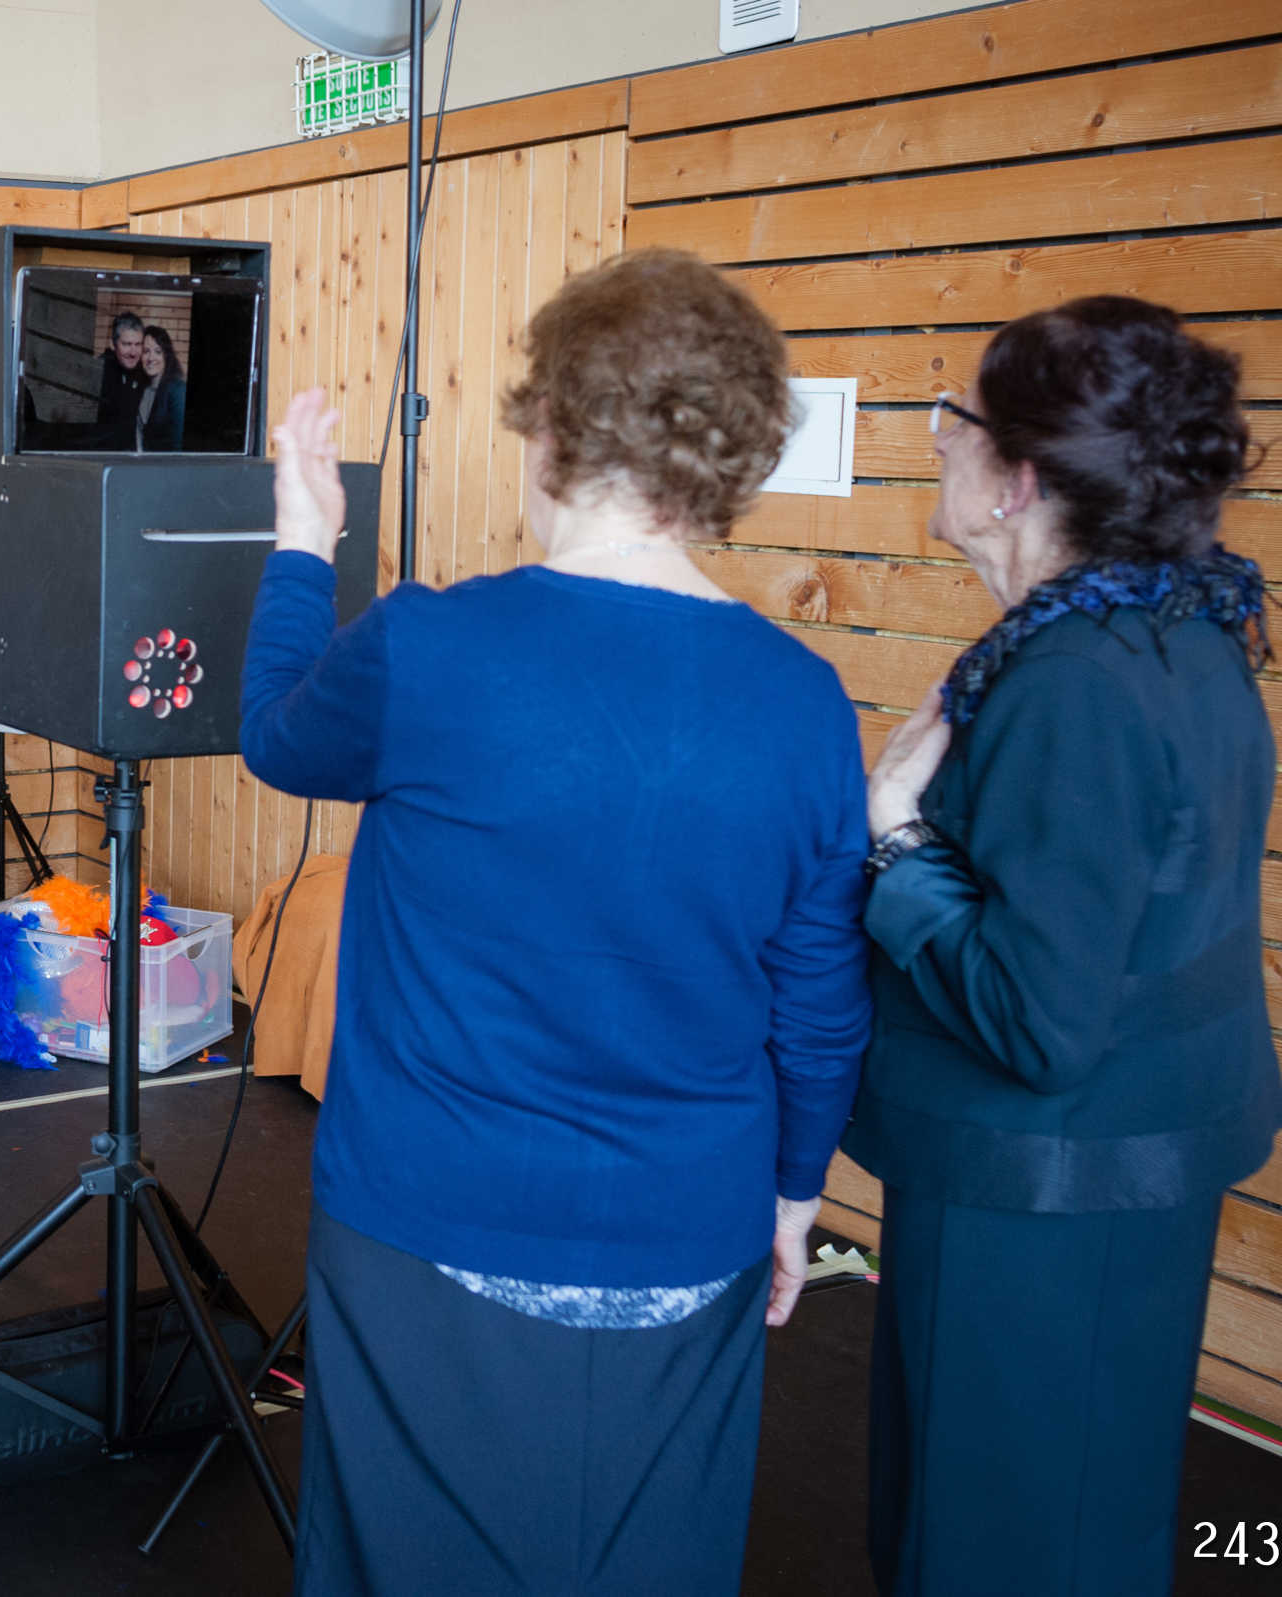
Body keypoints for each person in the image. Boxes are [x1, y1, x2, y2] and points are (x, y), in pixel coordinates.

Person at [241, 248, 872, 1595]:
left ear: (553, 430)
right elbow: (819, 999)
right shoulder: (805, 699)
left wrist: (303, 542)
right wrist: (794, 1197)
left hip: (428, 1215)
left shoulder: (430, 646)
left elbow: (277, 738)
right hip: (691, 1224)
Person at [850, 297, 1282, 1597]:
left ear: (1021, 480)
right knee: (1085, 1526)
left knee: (986, 1549)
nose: (939, 439)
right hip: (1121, 1170)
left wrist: (892, 842)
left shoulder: (1076, 681)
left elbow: (1038, 1019)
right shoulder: (1181, 630)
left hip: (1036, 1195)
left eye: (958, 419)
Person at [93, 313, 149, 449]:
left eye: (138, 344)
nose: (133, 352)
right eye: (127, 344)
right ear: (113, 344)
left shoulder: (145, 371)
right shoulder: (97, 373)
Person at [136, 326, 186, 452]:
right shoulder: (139, 389)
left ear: (166, 356)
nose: (151, 358)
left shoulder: (178, 390)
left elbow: (178, 446)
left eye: (158, 351)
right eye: (146, 351)